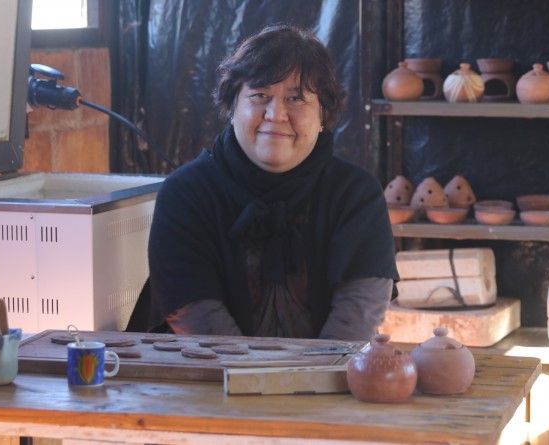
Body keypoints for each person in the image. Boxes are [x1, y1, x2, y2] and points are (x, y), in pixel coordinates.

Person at [141, 25, 399, 341]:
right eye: (260, 95)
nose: (276, 114)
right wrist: (254, 371)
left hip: (331, 370)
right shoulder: (186, 194)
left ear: (323, 114)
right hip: (211, 368)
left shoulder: (356, 195)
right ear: (232, 107)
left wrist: (314, 372)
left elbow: (356, 320)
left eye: (296, 98)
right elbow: (199, 320)